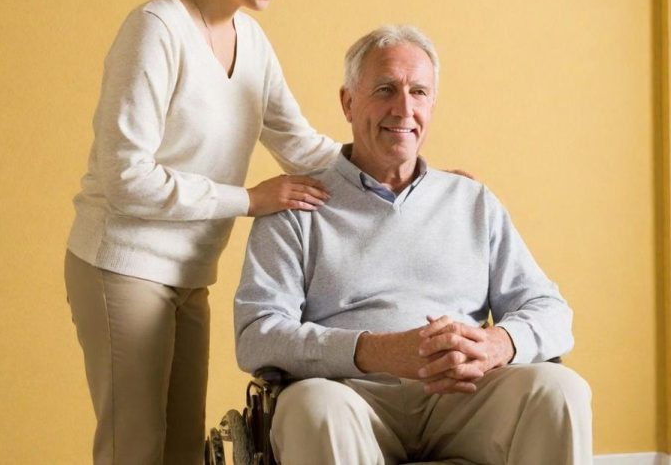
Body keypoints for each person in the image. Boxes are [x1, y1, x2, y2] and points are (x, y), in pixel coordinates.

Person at [64, 0, 341, 464]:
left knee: (185, 452)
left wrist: (414, 174)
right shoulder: (156, 29)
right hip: (122, 264)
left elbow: (302, 145)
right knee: (133, 448)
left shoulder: (252, 41)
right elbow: (125, 177)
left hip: (191, 271)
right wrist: (248, 200)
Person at [234, 25, 593, 465]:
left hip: (463, 399)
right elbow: (257, 337)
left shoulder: (471, 201)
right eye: (385, 89)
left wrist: (500, 343)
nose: (403, 108)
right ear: (348, 102)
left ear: (432, 104)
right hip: (351, 397)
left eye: (419, 92)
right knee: (312, 407)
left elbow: (552, 311)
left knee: (561, 390)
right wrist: (376, 351)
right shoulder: (296, 205)